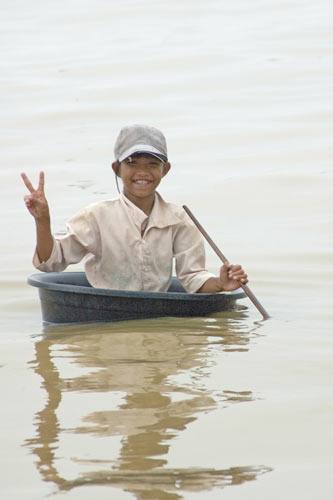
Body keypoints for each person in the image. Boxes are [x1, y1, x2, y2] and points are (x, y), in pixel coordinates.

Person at [21, 124, 248, 293]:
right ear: (116, 169)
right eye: (132, 163)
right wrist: (43, 221)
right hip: (103, 310)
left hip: (155, 316)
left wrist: (220, 283)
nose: (142, 172)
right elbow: (52, 262)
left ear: (165, 169)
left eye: (152, 164)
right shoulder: (97, 216)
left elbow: (193, 278)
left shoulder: (179, 220)